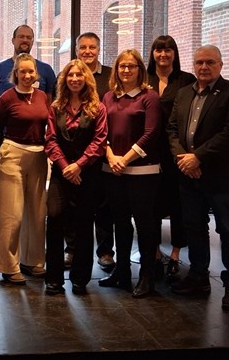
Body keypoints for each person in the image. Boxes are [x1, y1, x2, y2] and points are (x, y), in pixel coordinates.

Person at [167, 44, 229, 311]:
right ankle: (198, 277)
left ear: (220, 65)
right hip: (188, 174)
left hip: (222, 177)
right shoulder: (183, 93)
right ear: (193, 65)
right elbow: (171, 130)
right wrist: (184, 159)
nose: (204, 67)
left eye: (210, 62)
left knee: (228, 230)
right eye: (199, 62)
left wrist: (198, 157)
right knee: (194, 227)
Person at [0, 24, 56, 259]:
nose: (25, 40)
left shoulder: (46, 71)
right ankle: (3, 247)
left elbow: (49, 109)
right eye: (21, 37)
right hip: (10, 146)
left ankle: (31, 256)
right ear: (13, 39)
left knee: (36, 208)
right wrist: (3, 147)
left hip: (37, 148)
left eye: (29, 37)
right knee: (7, 207)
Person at [98, 49, 163, 299]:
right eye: (122, 66)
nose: (126, 70)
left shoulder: (149, 97)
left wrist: (124, 159)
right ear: (116, 70)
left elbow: (151, 133)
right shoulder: (108, 96)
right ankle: (122, 272)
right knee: (120, 223)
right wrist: (111, 157)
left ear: (140, 70)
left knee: (145, 224)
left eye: (131, 66)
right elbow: (101, 132)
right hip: (113, 170)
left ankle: (147, 276)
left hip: (143, 172)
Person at [44, 59, 107, 295]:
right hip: (61, 174)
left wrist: (79, 166)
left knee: (83, 224)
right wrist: (65, 167)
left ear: (86, 79)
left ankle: (80, 278)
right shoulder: (56, 107)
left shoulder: (98, 108)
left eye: (79, 75)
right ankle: (54, 278)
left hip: (87, 174)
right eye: (70, 75)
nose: (75, 79)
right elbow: (50, 140)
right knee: (54, 220)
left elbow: (100, 141)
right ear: (64, 79)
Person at [0, 53, 50, 284]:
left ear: (36, 73)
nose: (27, 75)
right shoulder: (7, 98)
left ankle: (32, 261)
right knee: (12, 214)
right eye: (22, 71)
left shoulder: (42, 96)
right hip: (12, 154)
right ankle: (8, 265)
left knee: (37, 213)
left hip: (38, 155)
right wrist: (3, 154)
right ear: (15, 73)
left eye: (30, 71)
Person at [146, 35, 196, 280]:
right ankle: (155, 253)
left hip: (177, 151)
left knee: (178, 204)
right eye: (158, 50)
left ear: (175, 53)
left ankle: (175, 254)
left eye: (168, 50)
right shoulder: (144, 79)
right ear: (153, 53)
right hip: (148, 150)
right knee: (152, 204)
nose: (163, 54)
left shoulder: (187, 80)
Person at [75, 32, 115, 272]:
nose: (87, 51)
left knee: (104, 204)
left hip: (104, 149)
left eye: (92, 47)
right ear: (77, 50)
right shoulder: (69, 74)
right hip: (75, 152)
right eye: (83, 47)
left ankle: (105, 251)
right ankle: (72, 250)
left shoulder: (110, 76)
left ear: (99, 50)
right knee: (73, 205)